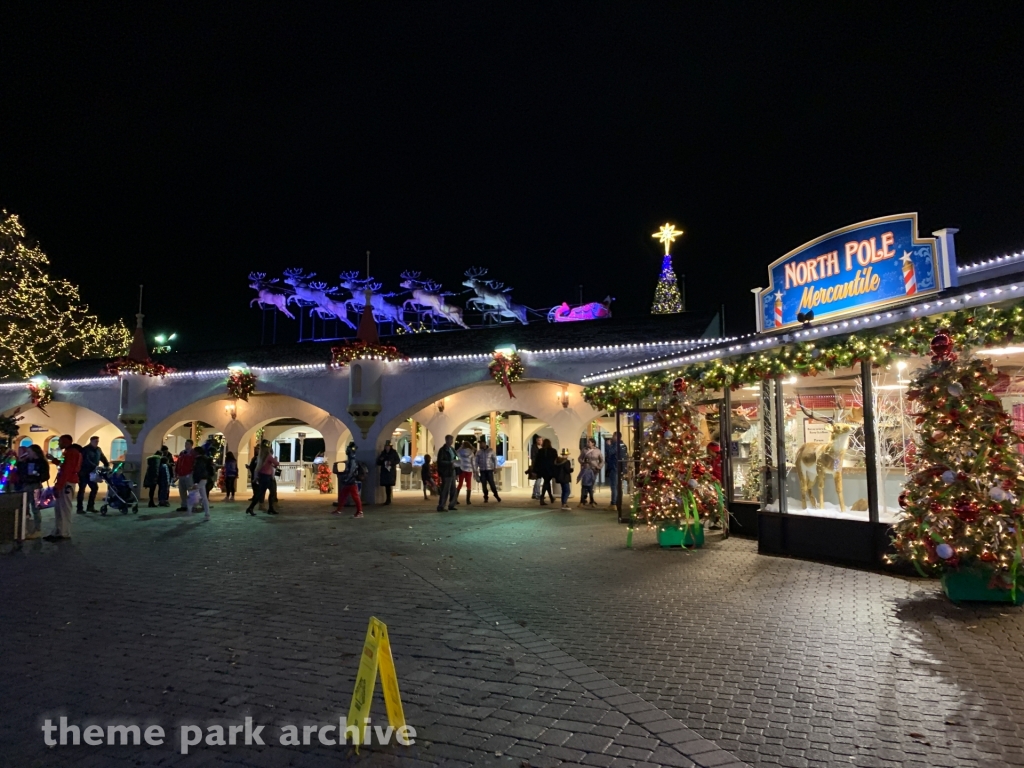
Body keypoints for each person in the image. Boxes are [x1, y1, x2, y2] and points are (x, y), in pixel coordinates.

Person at [45, 435, 81, 541]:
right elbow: (64, 465)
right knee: (60, 508)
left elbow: (66, 470)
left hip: (66, 483)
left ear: (66, 442)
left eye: (60, 441)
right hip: (67, 482)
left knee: (64, 508)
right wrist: (54, 460)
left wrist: (59, 486)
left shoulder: (71, 453)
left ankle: (63, 533)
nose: (58, 444)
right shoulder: (69, 452)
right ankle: (59, 531)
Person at [17, 443, 49, 538]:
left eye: (29, 451)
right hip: (26, 485)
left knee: (35, 508)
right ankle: (24, 529)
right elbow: (21, 471)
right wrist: (20, 462)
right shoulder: (27, 461)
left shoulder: (41, 462)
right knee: (23, 507)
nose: (27, 453)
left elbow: (45, 476)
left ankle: (37, 529)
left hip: (35, 485)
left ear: (35, 452)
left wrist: (36, 477)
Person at [77, 435, 109, 513]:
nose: (97, 443)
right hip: (84, 472)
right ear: (91, 441)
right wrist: (95, 466)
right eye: (95, 441)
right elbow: (86, 460)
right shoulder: (85, 449)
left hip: (93, 472)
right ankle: (79, 508)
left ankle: (90, 506)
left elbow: (102, 457)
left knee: (94, 488)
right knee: (82, 490)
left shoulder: (98, 449)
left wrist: (106, 464)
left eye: (97, 441)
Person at [246, 442, 279, 515]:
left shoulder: (260, 456)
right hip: (268, 477)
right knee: (272, 492)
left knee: (260, 493)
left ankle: (251, 508)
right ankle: (270, 508)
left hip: (262, 476)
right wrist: (275, 460)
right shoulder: (268, 456)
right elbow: (276, 463)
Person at [333, 442, 363, 518]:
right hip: (350, 480)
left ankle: (359, 512)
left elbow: (351, 471)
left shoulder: (352, 459)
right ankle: (339, 510)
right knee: (344, 495)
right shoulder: (351, 458)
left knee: (354, 496)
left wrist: (347, 478)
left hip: (351, 480)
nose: (347, 450)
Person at [604, 432, 627, 509]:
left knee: (614, 486)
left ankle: (613, 504)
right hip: (621, 468)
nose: (612, 437)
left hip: (614, 468)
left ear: (617, 437)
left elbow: (610, 452)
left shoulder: (616, 445)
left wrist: (607, 445)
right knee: (619, 487)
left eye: (613, 436)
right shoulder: (623, 445)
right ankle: (618, 503)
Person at [189, 446, 213, 521]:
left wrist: (196, 482)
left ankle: (194, 509)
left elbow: (198, 471)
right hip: (203, 478)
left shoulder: (199, 460)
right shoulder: (204, 459)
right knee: (203, 497)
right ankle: (207, 514)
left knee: (194, 494)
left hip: (200, 479)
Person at [435, 435, 459, 512]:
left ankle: (452, 505)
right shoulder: (442, 450)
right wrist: (450, 463)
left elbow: (456, 457)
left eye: (451, 440)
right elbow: (440, 461)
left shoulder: (452, 449)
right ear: (446, 440)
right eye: (450, 440)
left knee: (453, 489)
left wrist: (457, 461)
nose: (451, 441)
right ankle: (441, 506)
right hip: (446, 472)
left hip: (452, 471)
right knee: (445, 489)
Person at [534, 438, 558, 506]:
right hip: (550, 469)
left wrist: (536, 469)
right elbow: (555, 460)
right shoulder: (553, 451)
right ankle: (542, 497)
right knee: (546, 482)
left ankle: (551, 497)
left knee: (546, 482)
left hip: (542, 469)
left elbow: (537, 460)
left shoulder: (540, 451)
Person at [376, 440, 400, 505]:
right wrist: (381, 460)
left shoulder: (393, 453)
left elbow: (398, 460)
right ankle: (387, 499)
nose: (387, 447)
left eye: (388, 446)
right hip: (385, 471)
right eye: (386, 446)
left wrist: (391, 463)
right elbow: (378, 462)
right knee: (386, 485)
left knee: (389, 485)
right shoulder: (383, 453)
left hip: (390, 471)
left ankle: (388, 499)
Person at [175, 440, 195, 511]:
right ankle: (184, 505)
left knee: (191, 490)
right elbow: (178, 462)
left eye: (188, 444)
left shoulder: (193, 453)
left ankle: (192, 506)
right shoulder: (182, 453)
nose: (186, 445)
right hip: (181, 474)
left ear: (191, 445)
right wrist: (177, 472)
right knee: (182, 491)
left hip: (189, 474)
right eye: (185, 444)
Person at [456, 440, 475, 505]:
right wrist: (474, 470)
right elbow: (473, 462)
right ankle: (468, 500)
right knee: (469, 485)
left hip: (462, 469)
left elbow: (456, 455)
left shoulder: (460, 451)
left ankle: (455, 499)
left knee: (460, 484)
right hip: (469, 470)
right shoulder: (471, 452)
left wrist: (460, 448)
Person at [528, 435, 544, 499]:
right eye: (539, 440)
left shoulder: (542, 447)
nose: (540, 441)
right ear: (536, 441)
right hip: (536, 466)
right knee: (538, 480)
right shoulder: (534, 447)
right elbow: (533, 457)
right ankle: (537, 494)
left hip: (541, 465)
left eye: (541, 440)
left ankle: (534, 494)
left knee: (538, 480)